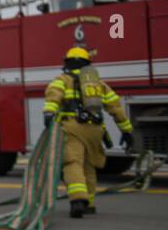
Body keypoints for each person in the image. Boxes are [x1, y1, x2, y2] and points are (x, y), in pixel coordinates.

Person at [43, 47, 134, 219]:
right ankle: (90, 204)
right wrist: (126, 131)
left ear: (67, 63)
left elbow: (53, 96)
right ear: (87, 64)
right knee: (89, 166)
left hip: (73, 128)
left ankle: (77, 200)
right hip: (95, 130)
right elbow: (116, 108)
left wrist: (48, 114)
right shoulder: (99, 84)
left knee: (72, 163)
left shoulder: (62, 79)